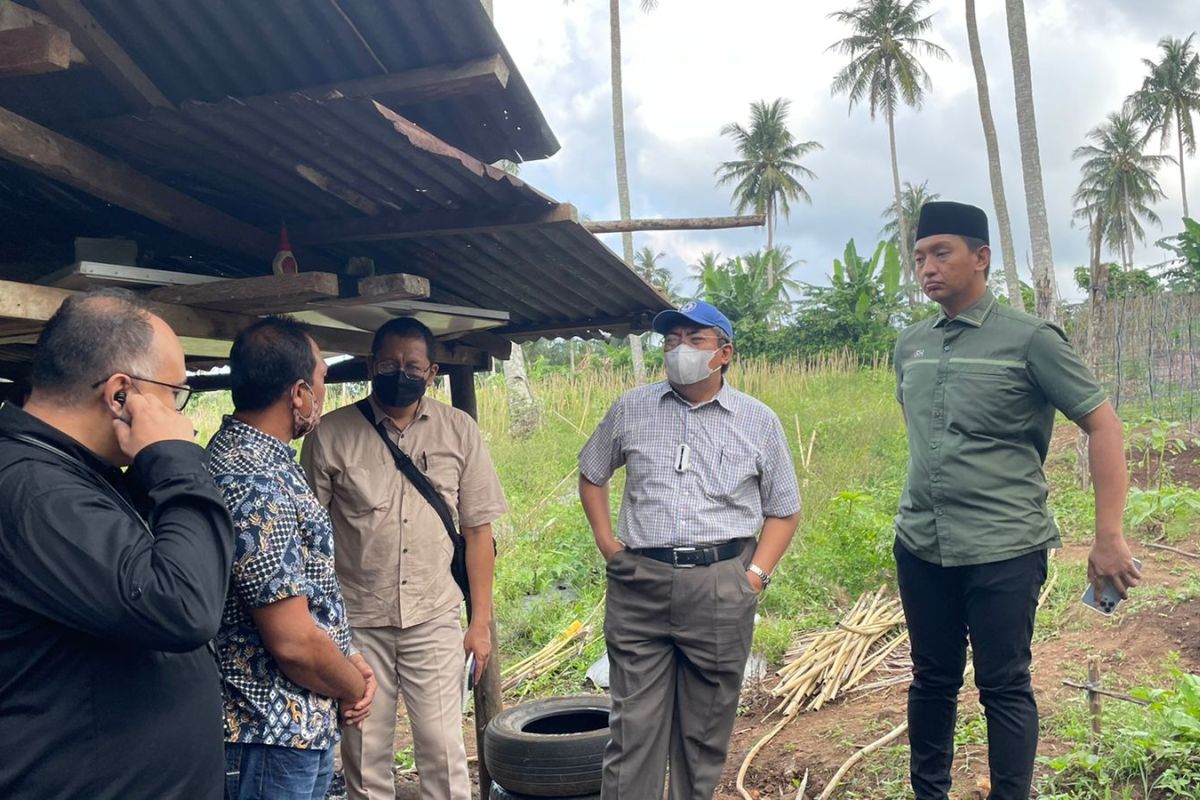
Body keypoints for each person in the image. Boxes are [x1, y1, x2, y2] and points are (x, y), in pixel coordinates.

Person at [893, 201, 1142, 800]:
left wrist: (1108, 535)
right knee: (931, 679)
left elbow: (1103, 427)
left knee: (1003, 684)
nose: (927, 267)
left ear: (981, 258)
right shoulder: (911, 346)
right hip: (921, 543)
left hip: (1004, 546)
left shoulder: (1030, 339)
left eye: (942, 253)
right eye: (920, 257)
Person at [0, 289, 235, 799]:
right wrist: (176, 458)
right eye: (175, 392)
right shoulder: (34, 491)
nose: (181, 413)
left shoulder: (75, 476)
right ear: (120, 393)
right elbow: (182, 605)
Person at [578, 301, 802, 800]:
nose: (679, 349)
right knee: (631, 729)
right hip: (640, 582)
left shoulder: (758, 421)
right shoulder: (631, 407)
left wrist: (754, 577)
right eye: (671, 340)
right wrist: (608, 544)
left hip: (720, 584)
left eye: (694, 340)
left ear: (724, 353)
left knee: (703, 734)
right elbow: (592, 474)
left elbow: (784, 509)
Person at [301, 317, 507, 800]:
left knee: (442, 750)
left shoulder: (459, 431)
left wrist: (480, 623)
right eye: (390, 363)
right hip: (357, 625)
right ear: (372, 366)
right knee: (365, 752)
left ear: (431, 371)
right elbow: (306, 540)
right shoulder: (331, 435)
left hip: (434, 618)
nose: (401, 372)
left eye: (412, 365)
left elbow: (478, 533)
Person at [207, 317, 376, 800]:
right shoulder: (254, 480)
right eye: (322, 379)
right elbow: (295, 643)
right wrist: (352, 685)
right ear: (299, 393)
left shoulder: (264, 458)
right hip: (267, 733)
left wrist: (347, 659)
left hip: (293, 729)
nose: (323, 393)